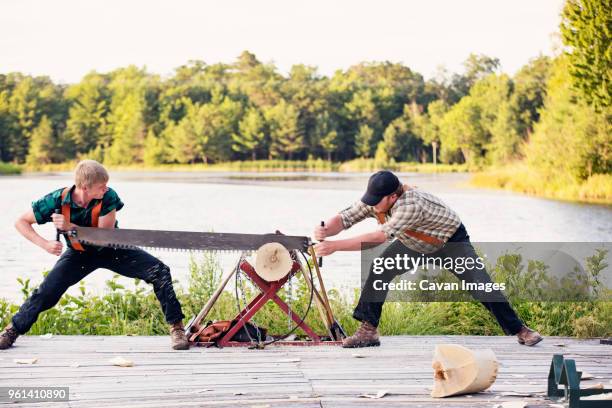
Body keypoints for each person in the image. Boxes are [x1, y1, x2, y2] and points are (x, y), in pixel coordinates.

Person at [314, 170, 543, 348]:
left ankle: (521, 331)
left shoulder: (410, 205)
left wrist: (335, 246)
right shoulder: (377, 199)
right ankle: (368, 331)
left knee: (480, 283)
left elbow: (379, 237)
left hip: (450, 242)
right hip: (414, 243)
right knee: (381, 267)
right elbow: (345, 218)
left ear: (393, 196)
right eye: (370, 198)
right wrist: (325, 230)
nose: (371, 204)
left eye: (377, 200)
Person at [0, 160, 189, 350]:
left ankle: (177, 329)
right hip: (79, 254)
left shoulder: (108, 197)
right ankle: (11, 331)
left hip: (112, 248)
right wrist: (45, 244)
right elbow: (21, 222)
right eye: (101, 186)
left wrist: (69, 228)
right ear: (84, 187)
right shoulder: (56, 199)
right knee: (46, 292)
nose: (105, 189)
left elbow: (103, 237)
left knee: (160, 272)